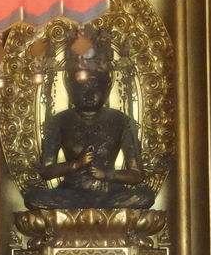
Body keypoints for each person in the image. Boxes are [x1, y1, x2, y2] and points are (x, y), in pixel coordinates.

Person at [23, 66, 154, 210]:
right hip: (72, 191)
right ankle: (97, 208)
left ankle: (86, 209)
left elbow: (137, 175)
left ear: (107, 90)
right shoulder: (59, 121)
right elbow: (46, 172)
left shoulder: (122, 121)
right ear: (71, 90)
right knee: (32, 197)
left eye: (96, 89)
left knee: (145, 197)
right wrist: (76, 164)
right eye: (82, 89)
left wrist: (108, 174)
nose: (89, 96)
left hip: (110, 192)